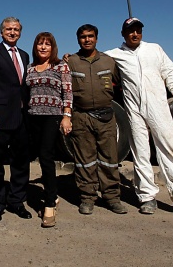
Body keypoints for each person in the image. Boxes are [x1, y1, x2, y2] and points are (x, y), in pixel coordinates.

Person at [105, 17, 173, 219]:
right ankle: (146, 197)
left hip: (158, 106)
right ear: (123, 34)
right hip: (134, 109)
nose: (135, 34)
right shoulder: (114, 55)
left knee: (169, 149)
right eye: (131, 31)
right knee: (140, 152)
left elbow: (169, 70)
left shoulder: (155, 49)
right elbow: (93, 59)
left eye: (138, 30)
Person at [66, 24, 127, 216]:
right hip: (81, 117)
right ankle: (87, 197)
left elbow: (124, 84)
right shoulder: (71, 62)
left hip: (106, 117)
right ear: (78, 40)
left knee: (109, 159)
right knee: (85, 160)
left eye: (90, 36)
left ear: (97, 39)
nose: (87, 40)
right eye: (83, 37)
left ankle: (112, 197)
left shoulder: (109, 62)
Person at [0, 17, 32, 223]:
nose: (12, 32)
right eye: (9, 29)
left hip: (21, 118)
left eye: (16, 29)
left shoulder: (25, 55)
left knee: (21, 163)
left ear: (20, 32)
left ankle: (17, 201)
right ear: (1, 33)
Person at [26, 32, 72, 228]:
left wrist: (66, 116)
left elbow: (67, 91)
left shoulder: (60, 66)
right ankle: (52, 193)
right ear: (35, 47)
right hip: (32, 116)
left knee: (46, 156)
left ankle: (50, 204)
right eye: (40, 44)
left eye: (47, 44)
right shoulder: (29, 68)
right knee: (35, 155)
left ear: (53, 47)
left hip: (52, 116)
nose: (43, 47)